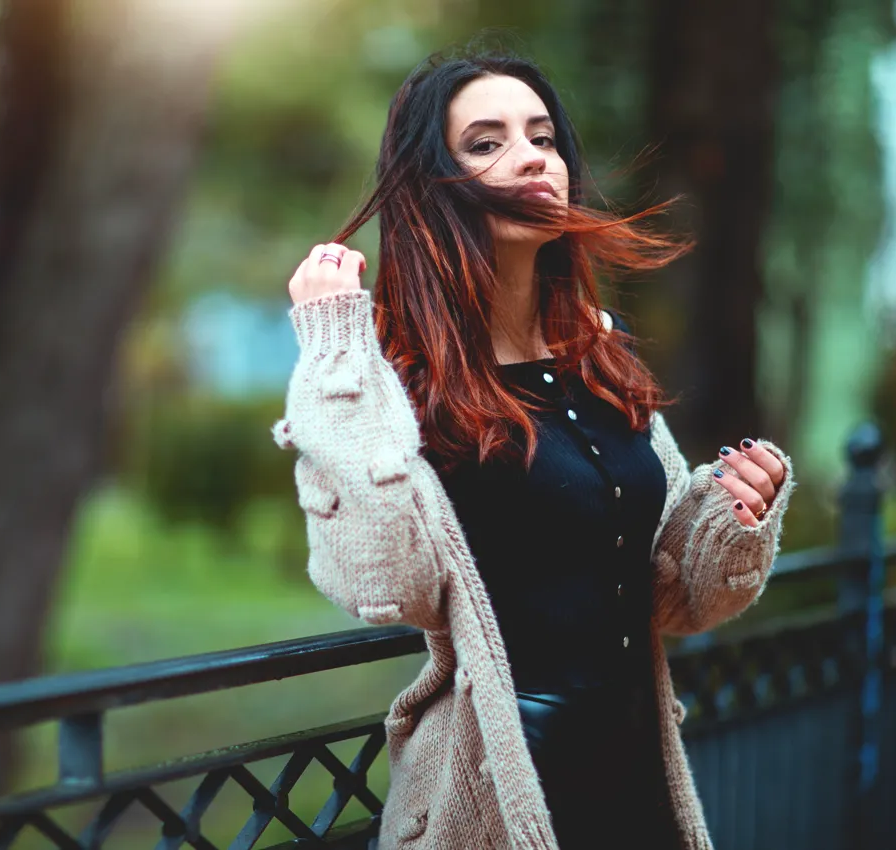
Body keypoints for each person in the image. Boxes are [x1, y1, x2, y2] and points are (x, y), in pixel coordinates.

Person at [272, 47, 795, 850]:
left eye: (543, 138)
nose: (530, 158)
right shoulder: (392, 378)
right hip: (495, 795)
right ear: (430, 186)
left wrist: (734, 509)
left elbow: (674, 600)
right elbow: (389, 581)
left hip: (638, 782)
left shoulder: (597, 351)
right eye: (485, 143)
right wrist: (335, 346)